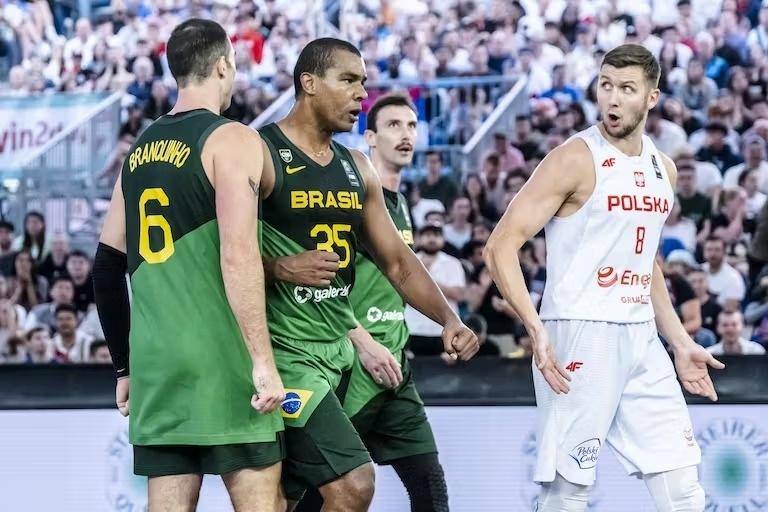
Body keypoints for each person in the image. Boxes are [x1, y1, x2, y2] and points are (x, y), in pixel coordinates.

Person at [484, 44, 724, 512]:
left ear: (651, 98)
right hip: (578, 331)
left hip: (641, 337)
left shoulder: (664, 168)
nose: (612, 99)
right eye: (605, 85)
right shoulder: (573, 158)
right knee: (567, 491)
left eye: (627, 89)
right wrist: (535, 328)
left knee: (683, 488)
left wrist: (679, 341)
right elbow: (500, 246)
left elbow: (647, 263)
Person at [257, 38, 478, 511]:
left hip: (339, 357)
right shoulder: (260, 153)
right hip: (285, 356)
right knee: (353, 484)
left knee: (291, 498)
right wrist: (278, 267)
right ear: (309, 84)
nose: (361, 93)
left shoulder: (357, 168)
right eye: (349, 80)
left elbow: (398, 263)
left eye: (363, 82)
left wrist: (449, 319)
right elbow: (219, 258)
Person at [93, 18, 286, 512]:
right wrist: (262, 361)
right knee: (260, 500)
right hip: (222, 358)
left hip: (157, 364)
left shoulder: (136, 152)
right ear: (223, 65)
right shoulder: (233, 139)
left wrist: (124, 366)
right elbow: (239, 254)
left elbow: (106, 268)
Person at [290, 94, 451, 512]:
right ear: (371, 137)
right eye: (395, 125)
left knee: (431, 493)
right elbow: (324, 285)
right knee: (324, 492)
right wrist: (363, 342)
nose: (406, 135)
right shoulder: (351, 197)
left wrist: (448, 322)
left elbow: (400, 275)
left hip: (396, 369)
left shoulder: (398, 203)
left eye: (412, 126)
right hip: (353, 368)